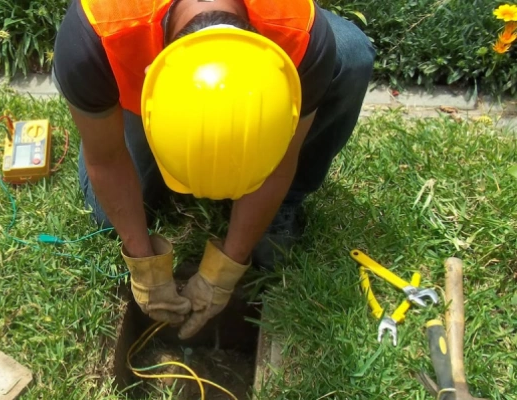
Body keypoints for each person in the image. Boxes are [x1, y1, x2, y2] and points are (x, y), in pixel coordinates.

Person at [51, 0, 375, 339]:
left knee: (350, 54)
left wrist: (227, 267)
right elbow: (106, 160)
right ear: (151, 75)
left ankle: (285, 205)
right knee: (107, 215)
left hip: (278, 61)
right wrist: (143, 264)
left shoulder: (300, 38)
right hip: (125, 70)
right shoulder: (94, 33)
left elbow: (280, 161)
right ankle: (104, 115)